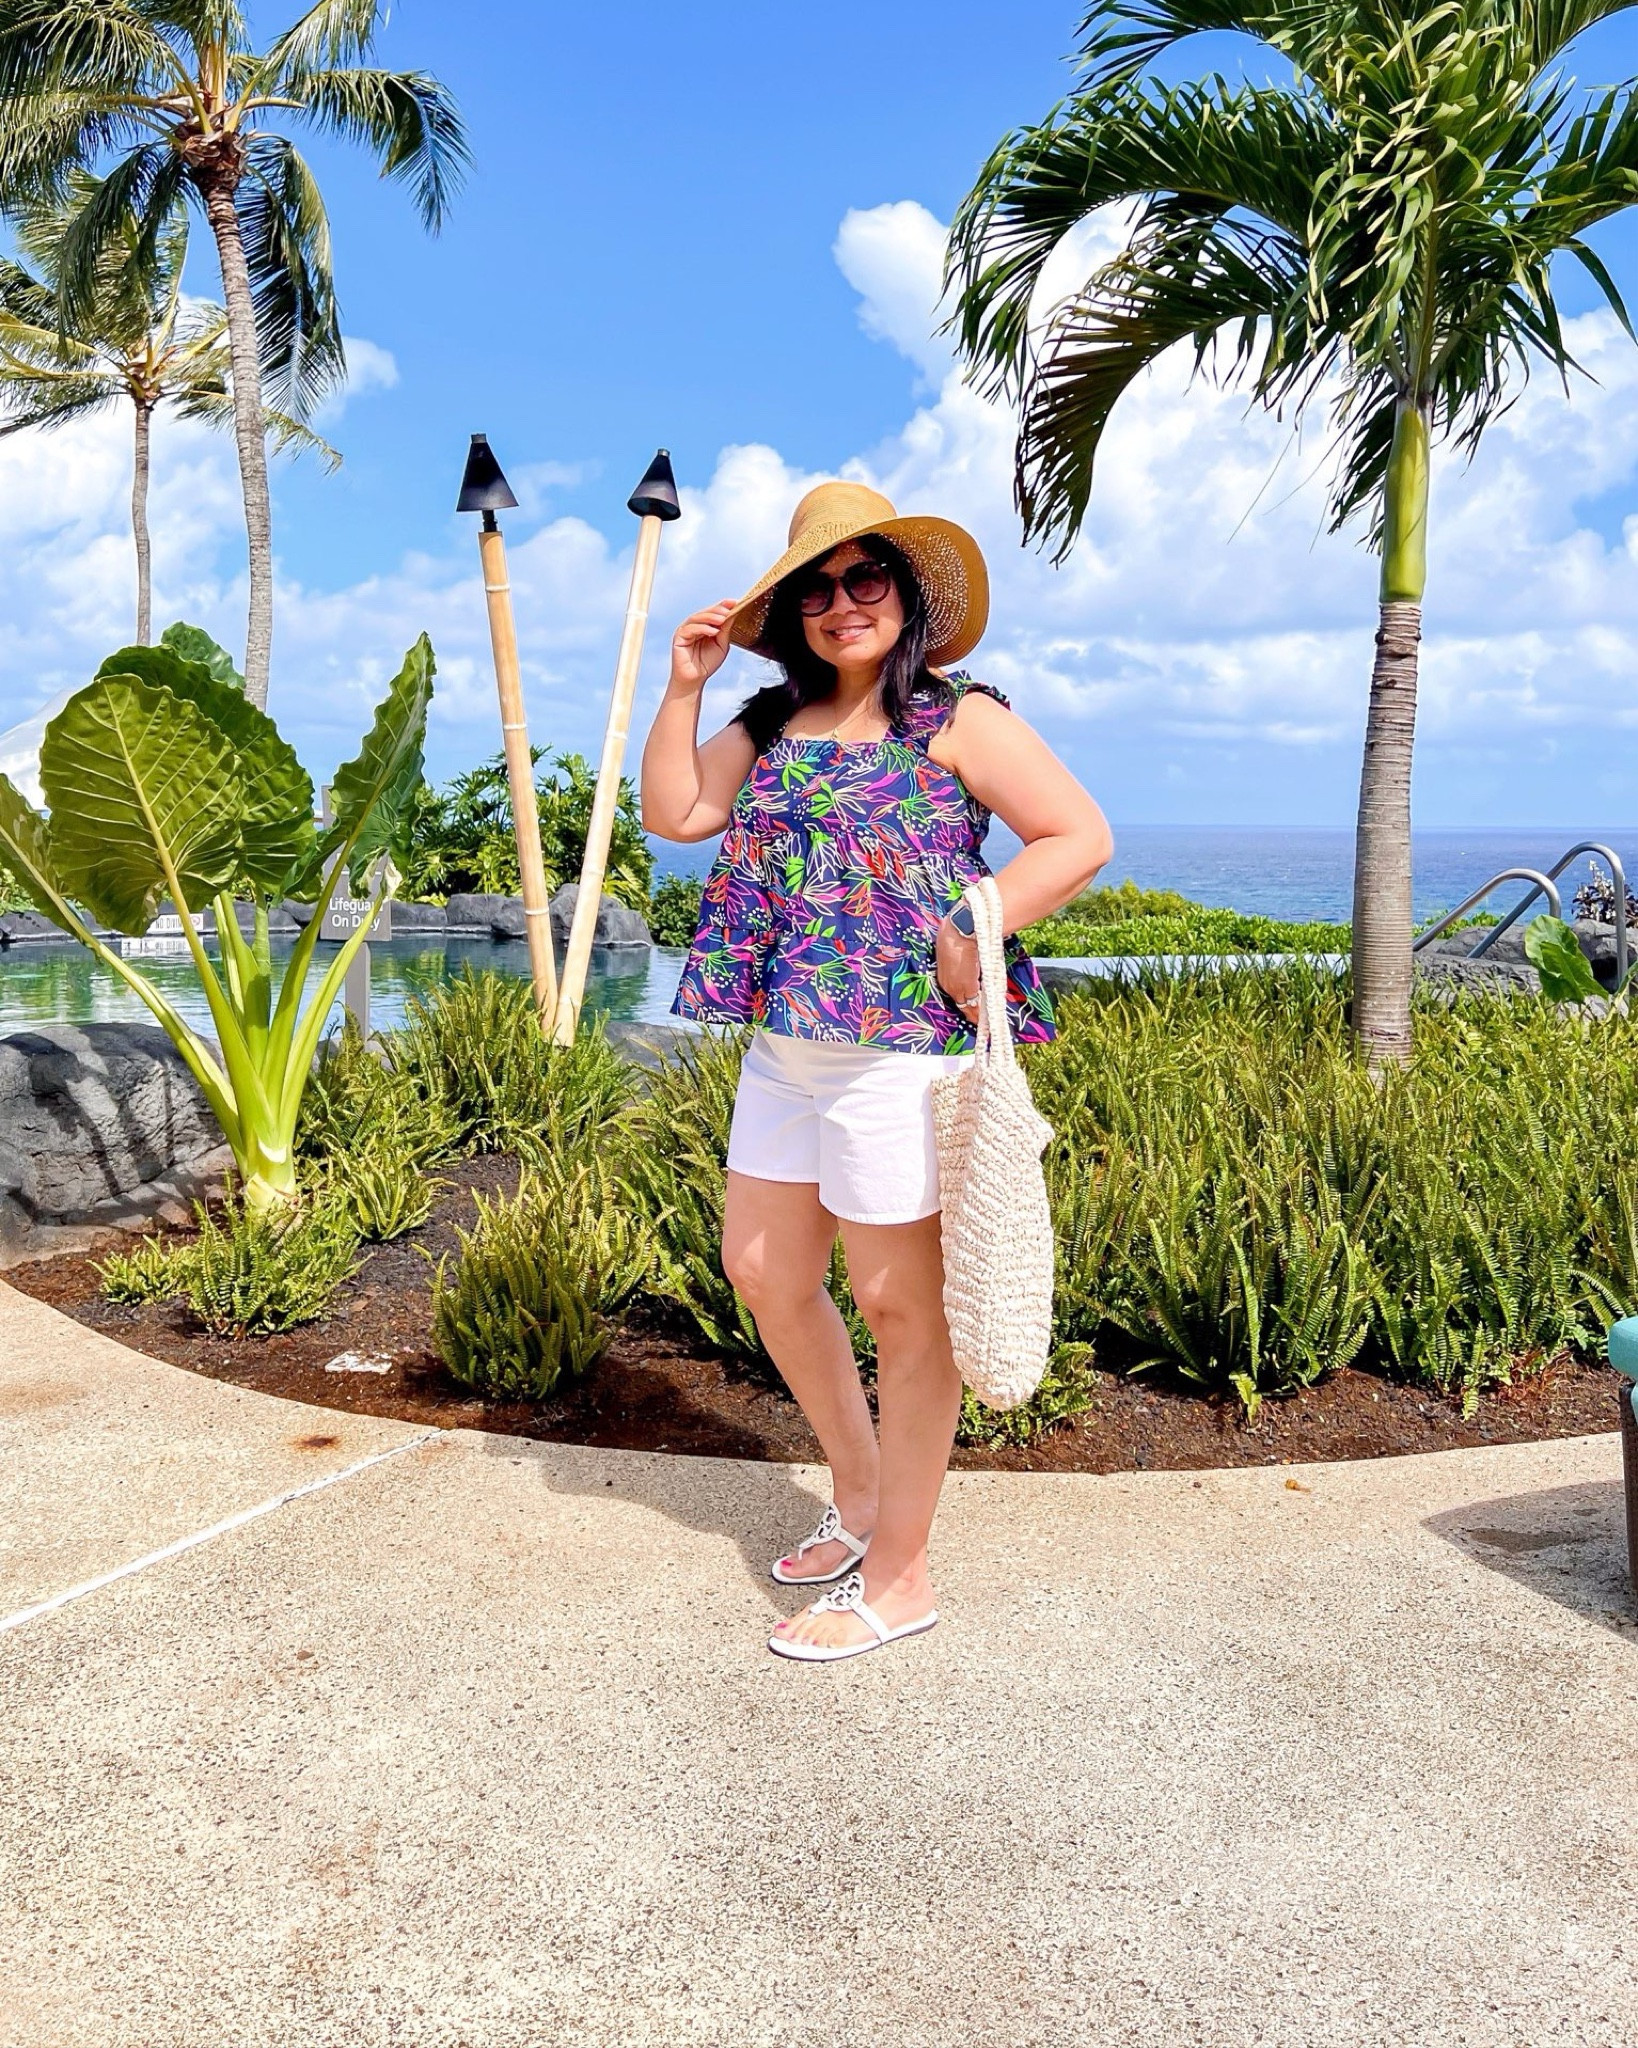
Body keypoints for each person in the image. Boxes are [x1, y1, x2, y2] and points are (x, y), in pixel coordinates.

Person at [641, 481, 1111, 1663]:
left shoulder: (956, 717)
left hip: (900, 1050)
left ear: (904, 594)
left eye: (866, 578)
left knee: (900, 1307)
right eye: (818, 587)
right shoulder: (771, 718)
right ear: (795, 611)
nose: (843, 602)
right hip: (786, 1043)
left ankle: (901, 1574)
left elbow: (1079, 835)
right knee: (763, 1269)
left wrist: (975, 919)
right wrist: (685, 683)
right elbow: (677, 811)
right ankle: (857, 1494)